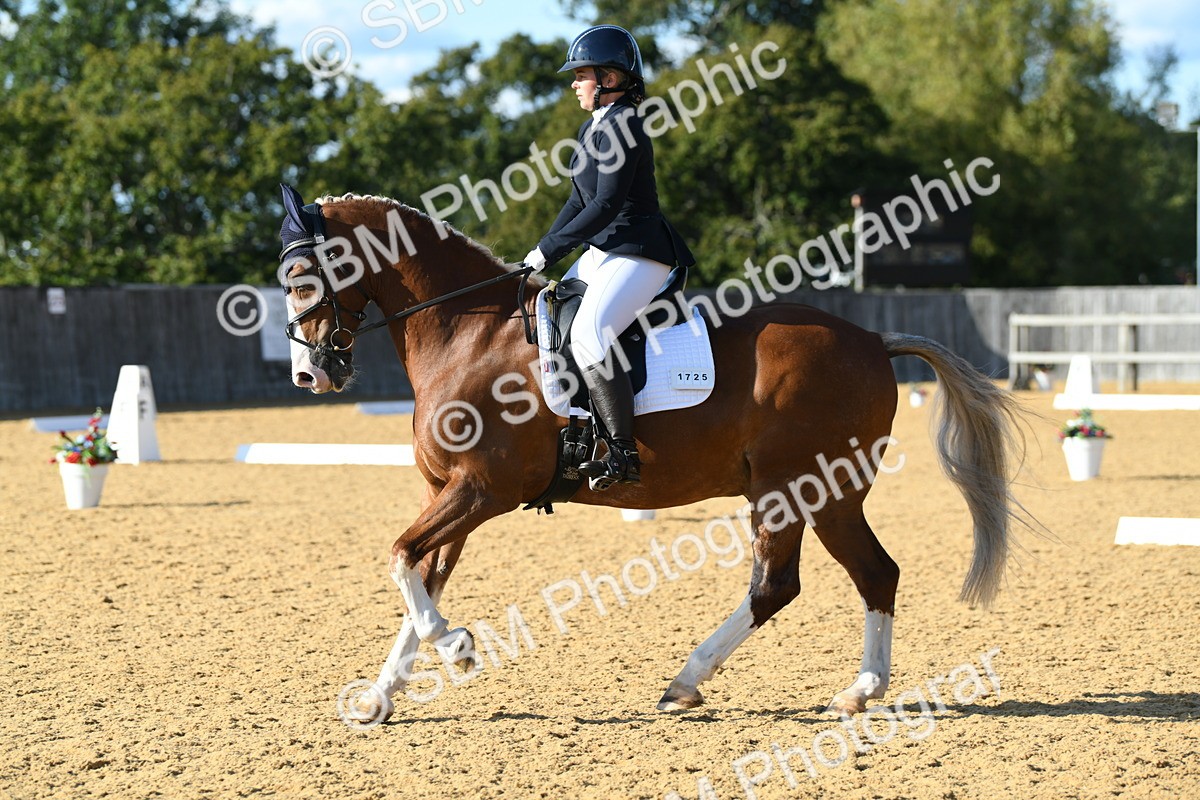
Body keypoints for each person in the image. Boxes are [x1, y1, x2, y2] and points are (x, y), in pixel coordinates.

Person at [524, 24, 695, 490]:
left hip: (640, 251)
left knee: (592, 335)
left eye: (581, 75)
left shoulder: (627, 126)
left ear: (610, 78)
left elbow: (607, 205)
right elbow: (579, 201)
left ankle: (622, 453)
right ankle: (579, 429)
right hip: (605, 250)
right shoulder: (591, 126)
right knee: (555, 313)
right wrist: (539, 250)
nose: (574, 84)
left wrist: (552, 250)